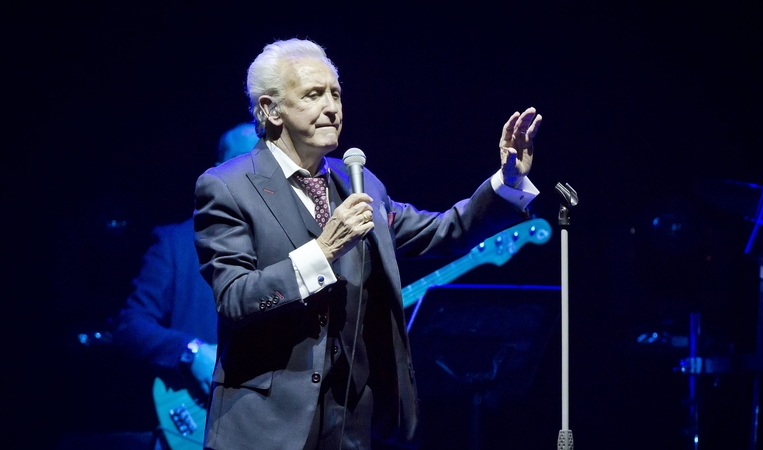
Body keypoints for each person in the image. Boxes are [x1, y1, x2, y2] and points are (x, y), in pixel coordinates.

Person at [193, 38, 543, 450]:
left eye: (336, 94)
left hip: (349, 428)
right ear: (270, 110)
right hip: (264, 429)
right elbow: (235, 298)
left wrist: (507, 182)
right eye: (313, 95)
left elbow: (446, 230)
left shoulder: (360, 182)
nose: (332, 108)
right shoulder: (228, 186)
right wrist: (322, 251)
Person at [113, 123, 259, 418]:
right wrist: (191, 352)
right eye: (243, 161)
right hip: (200, 416)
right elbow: (130, 326)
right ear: (218, 172)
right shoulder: (176, 243)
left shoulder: (294, 242)